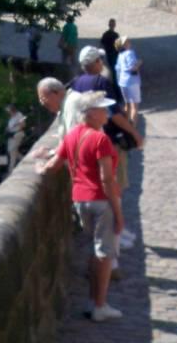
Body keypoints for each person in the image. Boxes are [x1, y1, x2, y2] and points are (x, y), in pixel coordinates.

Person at [44, 93, 124, 323]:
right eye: (103, 109)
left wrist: (41, 166)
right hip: (101, 200)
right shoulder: (100, 140)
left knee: (94, 250)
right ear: (90, 114)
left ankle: (93, 301)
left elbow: (54, 165)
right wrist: (118, 214)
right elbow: (107, 179)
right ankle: (100, 306)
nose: (107, 113)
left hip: (80, 200)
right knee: (105, 254)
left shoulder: (72, 136)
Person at [69, 46, 141, 250]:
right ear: (95, 63)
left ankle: (113, 235)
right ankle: (116, 234)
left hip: (83, 143)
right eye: (100, 61)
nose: (102, 64)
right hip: (105, 141)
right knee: (113, 187)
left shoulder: (76, 82)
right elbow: (115, 115)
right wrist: (135, 133)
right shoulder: (101, 82)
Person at [114, 36, 142, 125]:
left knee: (127, 105)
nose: (129, 41)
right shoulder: (130, 53)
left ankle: (125, 125)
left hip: (122, 82)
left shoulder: (120, 55)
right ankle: (133, 129)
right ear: (124, 45)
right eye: (126, 41)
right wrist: (139, 63)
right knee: (135, 106)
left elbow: (117, 68)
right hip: (132, 81)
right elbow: (132, 68)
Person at [5, 103, 27, 170]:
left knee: (12, 151)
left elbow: (23, 125)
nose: (8, 112)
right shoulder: (11, 117)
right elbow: (10, 127)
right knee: (12, 151)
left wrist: (17, 128)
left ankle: (10, 170)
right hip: (11, 136)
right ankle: (26, 161)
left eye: (9, 110)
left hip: (17, 134)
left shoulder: (19, 115)